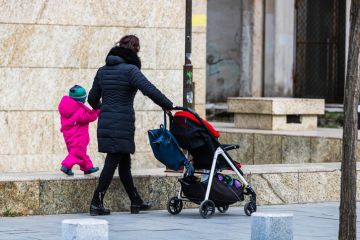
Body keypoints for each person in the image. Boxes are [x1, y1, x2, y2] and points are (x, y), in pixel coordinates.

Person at [88, 35, 173, 215]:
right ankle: (96, 202)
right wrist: (168, 105)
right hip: (122, 121)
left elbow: (92, 99)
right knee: (112, 160)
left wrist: (105, 108)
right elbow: (149, 89)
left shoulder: (102, 70)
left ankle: (136, 201)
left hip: (107, 120)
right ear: (135, 50)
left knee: (124, 161)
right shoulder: (131, 70)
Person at [58, 85, 100, 176]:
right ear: (81, 100)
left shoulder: (67, 108)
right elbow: (90, 117)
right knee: (77, 153)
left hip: (69, 135)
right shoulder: (78, 111)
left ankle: (87, 168)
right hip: (78, 136)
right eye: (84, 99)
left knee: (80, 153)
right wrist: (97, 110)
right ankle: (66, 166)